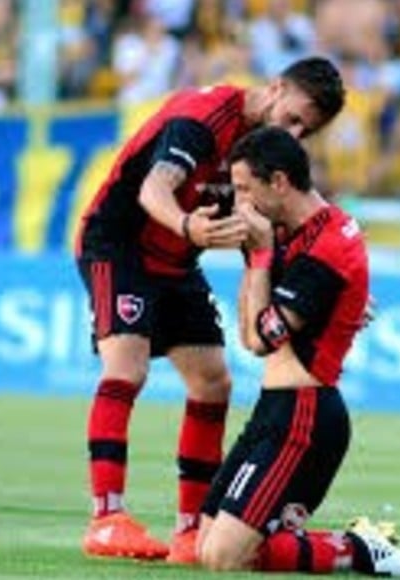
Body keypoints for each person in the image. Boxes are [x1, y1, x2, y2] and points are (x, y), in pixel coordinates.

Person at [76, 57, 345, 563]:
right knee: (126, 367)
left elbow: (284, 230)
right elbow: (152, 189)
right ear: (275, 86)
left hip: (177, 262)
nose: (292, 132)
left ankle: (188, 531)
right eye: (291, 117)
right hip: (119, 245)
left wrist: (338, 280)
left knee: (213, 382)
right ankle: (107, 518)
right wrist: (187, 227)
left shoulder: (261, 158)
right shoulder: (205, 118)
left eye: (303, 131)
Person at [196, 127, 400, 578]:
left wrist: (261, 255)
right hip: (273, 410)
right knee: (202, 547)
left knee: (224, 558)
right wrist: (255, 254)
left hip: (305, 416)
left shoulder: (327, 247)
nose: (239, 201)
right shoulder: (293, 229)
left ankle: (361, 550)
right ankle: (335, 544)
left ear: (279, 182)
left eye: (245, 188)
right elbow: (249, 336)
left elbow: (263, 338)